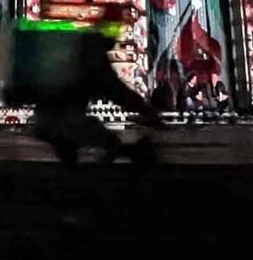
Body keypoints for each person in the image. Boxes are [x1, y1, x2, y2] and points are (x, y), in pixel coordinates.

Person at [32, 22, 164, 165]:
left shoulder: (78, 49)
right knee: (107, 142)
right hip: (62, 121)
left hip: (49, 118)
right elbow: (119, 93)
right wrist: (148, 113)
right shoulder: (93, 60)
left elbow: (118, 92)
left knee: (89, 143)